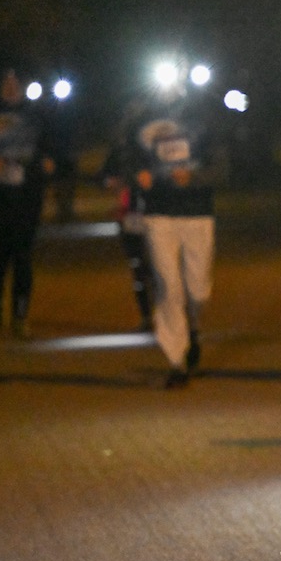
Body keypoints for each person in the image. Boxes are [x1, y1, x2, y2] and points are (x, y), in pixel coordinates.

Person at [123, 80, 218, 389]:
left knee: (198, 291)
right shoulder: (139, 120)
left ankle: (193, 328)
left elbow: (223, 166)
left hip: (196, 212)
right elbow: (122, 160)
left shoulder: (204, 116)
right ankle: (176, 360)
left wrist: (194, 178)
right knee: (168, 285)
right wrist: (138, 176)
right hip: (158, 213)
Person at [0, 69, 55, 339]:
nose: (11, 88)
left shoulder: (37, 117)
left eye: (16, 84)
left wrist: (47, 163)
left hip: (27, 196)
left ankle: (20, 315)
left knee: (23, 256)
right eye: (6, 83)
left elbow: (51, 151)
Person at [100, 134, 154, 332]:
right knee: (138, 264)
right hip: (130, 213)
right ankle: (146, 315)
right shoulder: (122, 147)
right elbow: (104, 175)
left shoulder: (158, 141)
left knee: (160, 262)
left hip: (158, 210)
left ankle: (166, 311)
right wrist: (111, 182)